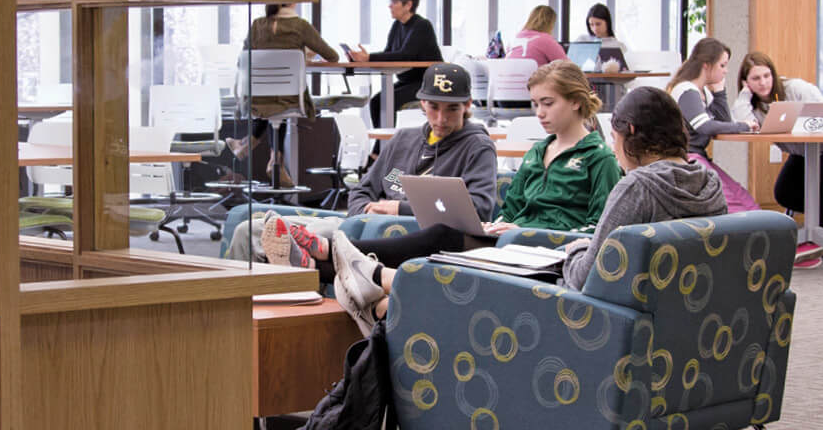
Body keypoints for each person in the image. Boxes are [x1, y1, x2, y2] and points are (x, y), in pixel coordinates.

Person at [313, 86, 727, 331]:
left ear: (631, 134)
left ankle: (370, 281)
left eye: (616, 137)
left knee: (457, 275)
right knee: (450, 271)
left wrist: (575, 249)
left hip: (575, 312)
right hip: (665, 321)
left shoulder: (637, 187)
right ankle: (374, 289)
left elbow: (584, 275)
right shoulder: (709, 185)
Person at [265, 61, 620, 293]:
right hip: (510, 245)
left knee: (444, 235)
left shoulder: (598, 158)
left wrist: (522, 230)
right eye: (536, 104)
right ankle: (327, 264)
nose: (540, 112)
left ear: (575, 102)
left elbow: (598, 230)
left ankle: (330, 258)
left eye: (548, 103)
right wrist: (506, 224)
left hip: (543, 250)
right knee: (435, 251)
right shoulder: (536, 153)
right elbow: (508, 210)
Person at [228, 62, 496, 262]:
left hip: (400, 236)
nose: (441, 119)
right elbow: (363, 189)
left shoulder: (477, 147)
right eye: (434, 107)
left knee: (271, 236)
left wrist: (398, 209)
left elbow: (478, 210)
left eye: (452, 109)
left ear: (467, 105)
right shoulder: (404, 140)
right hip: (359, 227)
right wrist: (361, 216)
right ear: (422, 103)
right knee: (248, 229)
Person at [735, 50, 823, 255]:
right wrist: (743, 95)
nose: (763, 83)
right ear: (745, 82)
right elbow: (743, 124)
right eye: (755, 78)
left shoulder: (796, 89)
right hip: (803, 153)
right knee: (784, 193)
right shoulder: (751, 105)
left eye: (767, 76)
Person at [237, 3, 339, 186]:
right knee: (280, 103)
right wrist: (303, 56)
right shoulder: (300, 25)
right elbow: (332, 56)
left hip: (258, 100)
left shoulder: (258, 24)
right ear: (292, 2)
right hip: (290, 99)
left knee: (273, 106)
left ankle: (252, 146)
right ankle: (273, 160)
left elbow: (242, 60)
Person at [667, 36, 759, 212]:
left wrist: (720, 92)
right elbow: (705, 126)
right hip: (689, 160)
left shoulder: (702, 92)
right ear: (706, 65)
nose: (725, 71)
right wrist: (745, 125)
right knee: (734, 204)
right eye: (722, 65)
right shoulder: (686, 90)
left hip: (698, 158)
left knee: (744, 199)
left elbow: (724, 121)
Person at [349, 0, 442, 126]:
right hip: (408, 81)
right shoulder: (397, 25)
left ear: (408, 5)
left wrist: (369, 58)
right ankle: (381, 146)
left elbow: (406, 55)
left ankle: (385, 147)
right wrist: (364, 59)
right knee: (376, 102)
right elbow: (389, 53)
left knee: (387, 101)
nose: (390, 6)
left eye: (394, 2)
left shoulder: (422, 25)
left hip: (427, 83)